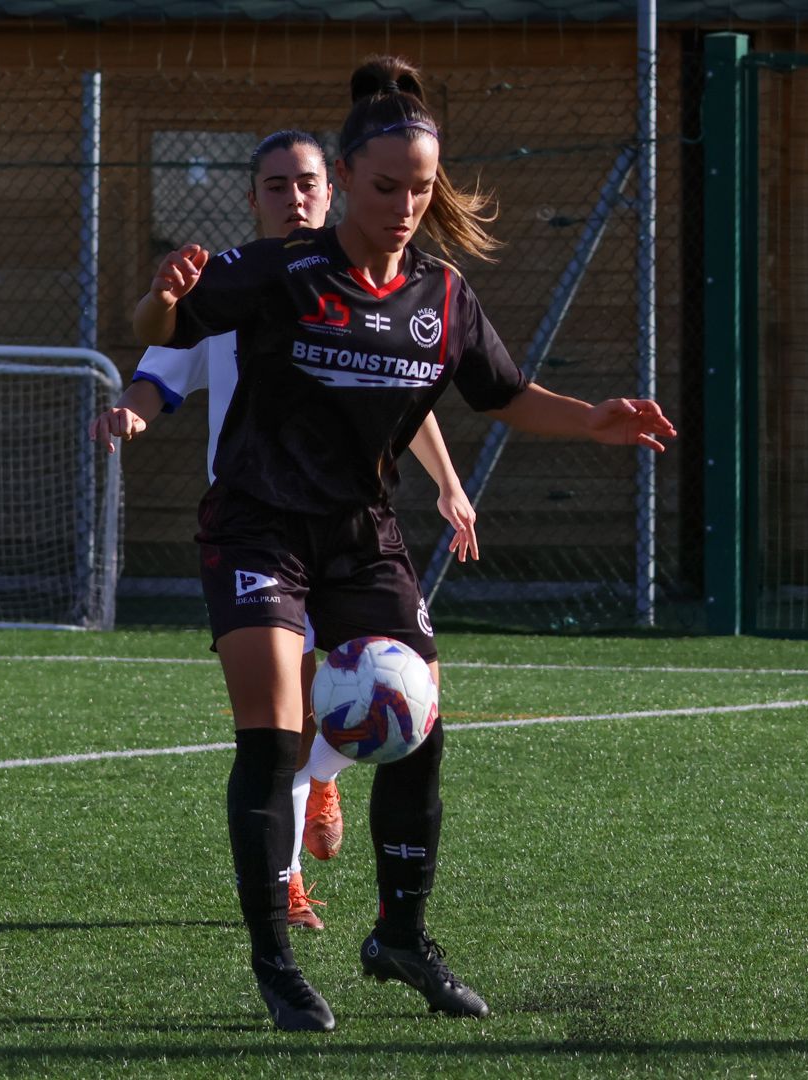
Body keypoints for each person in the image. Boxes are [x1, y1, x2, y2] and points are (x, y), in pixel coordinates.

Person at [133, 56, 675, 1033]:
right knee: (272, 733)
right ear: (343, 180)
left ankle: (399, 936)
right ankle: (276, 962)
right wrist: (163, 297)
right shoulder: (282, 272)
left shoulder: (442, 295)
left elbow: (502, 395)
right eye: (386, 187)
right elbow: (161, 332)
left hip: (360, 533)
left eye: (421, 188)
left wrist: (594, 417)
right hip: (258, 522)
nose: (405, 205)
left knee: (419, 722)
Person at [92, 130, 479, 933]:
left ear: (330, 190)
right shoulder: (232, 289)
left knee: (370, 702)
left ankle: (329, 778)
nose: (294, 197)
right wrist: (132, 412)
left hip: (345, 529)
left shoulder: (367, 285)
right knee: (286, 717)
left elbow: (399, 396)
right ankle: (288, 879)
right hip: (258, 531)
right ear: (253, 199)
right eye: (275, 186)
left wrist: (448, 482)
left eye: (305, 183)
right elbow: (161, 365)